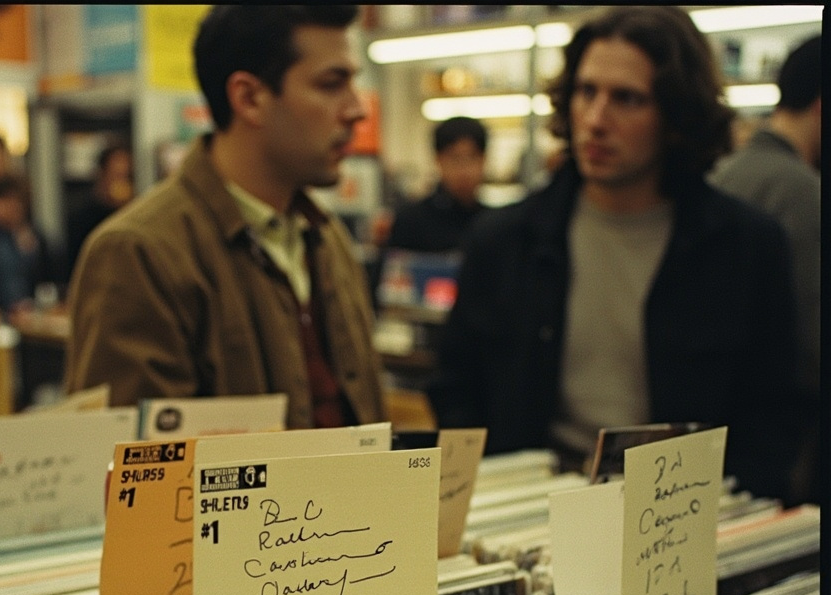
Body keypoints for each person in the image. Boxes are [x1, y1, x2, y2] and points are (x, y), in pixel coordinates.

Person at [430, 6, 800, 504]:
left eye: (627, 99)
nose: (596, 120)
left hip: (687, 519)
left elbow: (774, 413)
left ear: (674, 114)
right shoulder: (502, 242)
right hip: (533, 512)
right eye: (586, 92)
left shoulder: (746, 247)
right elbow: (457, 388)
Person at [66, 5, 386, 429]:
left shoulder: (326, 239)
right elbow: (135, 476)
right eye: (331, 85)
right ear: (249, 98)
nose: (356, 110)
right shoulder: (142, 252)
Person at [710, 35, 821, 505]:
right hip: (782, 449)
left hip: (710, 442)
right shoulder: (806, 193)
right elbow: (811, 353)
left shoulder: (721, 174)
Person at [385, 116, 489, 253]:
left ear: (484, 160)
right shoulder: (410, 221)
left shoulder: (492, 224)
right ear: (438, 160)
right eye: (455, 159)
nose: (464, 171)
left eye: (472, 157)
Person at [0, 172, 62, 316]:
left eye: (16, 200)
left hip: (31, 315)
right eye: (4, 199)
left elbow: (50, 280)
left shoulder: (34, 237)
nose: (12, 206)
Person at [66, 142, 134, 277]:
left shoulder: (133, 214)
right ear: (101, 174)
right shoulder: (81, 218)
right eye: (115, 175)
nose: (120, 183)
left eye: (125, 177)